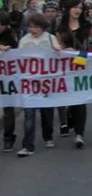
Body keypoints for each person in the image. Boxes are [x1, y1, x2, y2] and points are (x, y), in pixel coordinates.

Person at [55, 0, 92, 149]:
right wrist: (60, 50)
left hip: (82, 60)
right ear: (67, 9)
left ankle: (80, 134)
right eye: (75, 7)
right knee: (71, 98)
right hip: (67, 65)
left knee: (81, 99)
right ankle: (69, 114)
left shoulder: (86, 25)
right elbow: (59, 45)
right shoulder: (60, 27)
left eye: (80, 8)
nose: (78, 10)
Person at [15, 14, 60, 157]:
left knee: (47, 113)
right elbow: (17, 59)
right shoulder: (24, 40)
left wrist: (57, 49)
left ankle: (48, 135)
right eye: (30, 27)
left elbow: (59, 52)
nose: (32, 30)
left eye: (36, 27)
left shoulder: (50, 38)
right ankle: (28, 146)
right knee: (29, 114)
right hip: (29, 83)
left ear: (42, 27)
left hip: (46, 83)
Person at [1, 10, 20, 152]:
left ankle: (8, 136)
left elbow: (17, 53)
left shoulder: (10, 36)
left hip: (6, 79)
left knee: (8, 109)